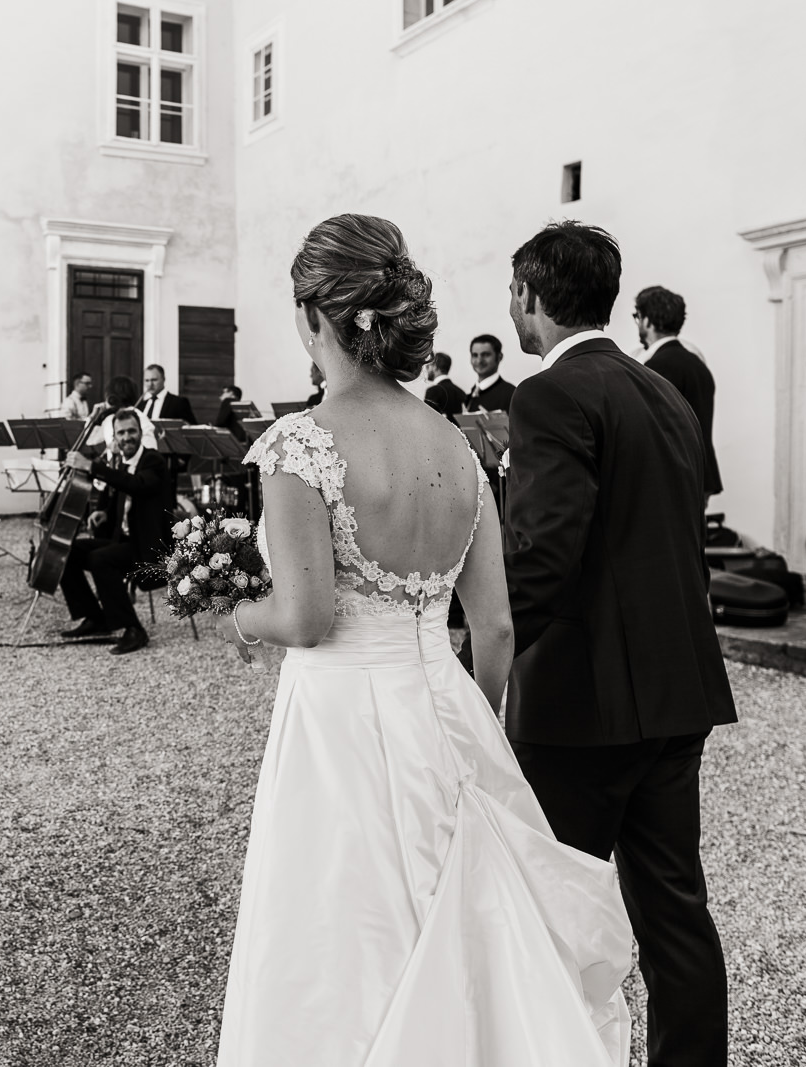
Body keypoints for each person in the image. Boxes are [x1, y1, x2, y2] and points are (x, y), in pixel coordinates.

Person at [216, 214, 632, 1067]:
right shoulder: (461, 445)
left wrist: (238, 616)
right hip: (440, 701)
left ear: (314, 316)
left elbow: (305, 616)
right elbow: (499, 623)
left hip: (337, 719)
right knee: (458, 923)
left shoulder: (300, 443)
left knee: (337, 926)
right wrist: (464, 724)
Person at [504, 222, 737, 1067]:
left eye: (512, 292)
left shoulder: (549, 394)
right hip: (677, 691)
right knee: (675, 909)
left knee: (557, 911)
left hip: (583, 706)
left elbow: (543, 557)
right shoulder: (664, 389)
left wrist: (477, 664)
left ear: (530, 297)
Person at [58, 408, 173, 656]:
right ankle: (95, 617)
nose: (127, 437)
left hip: (148, 546)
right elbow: (122, 493)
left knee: (101, 560)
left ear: (141, 433)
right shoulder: (121, 462)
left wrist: (92, 466)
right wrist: (105, 513)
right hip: (123, 541)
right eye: (121, 433)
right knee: (67, 549)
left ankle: (133, 629)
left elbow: (138, 486)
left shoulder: (154, 461)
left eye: (131, 431)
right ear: (115, 437)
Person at [636, 286, 723, 500]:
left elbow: (647, 430)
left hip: (672, 477)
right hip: (701, 471)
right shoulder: (696, 363)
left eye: (637, 317)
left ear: (647, 320)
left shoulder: (655, 368)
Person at [96, 375, 157, 451]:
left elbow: (150, 450)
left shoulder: (139, 418)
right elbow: (91, 440)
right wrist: (94, 417)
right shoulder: (109, 418)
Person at [464, 333, 516, 412]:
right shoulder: (469, 397)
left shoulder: (512, 394)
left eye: (485, 355)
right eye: (475, 355)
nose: (479, 361)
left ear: (499, 357)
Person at [421, 351, 464, 420]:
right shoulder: (461, 392)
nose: (426, 370)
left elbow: (427, 420)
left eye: (428, 366)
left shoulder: (432, 391)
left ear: (435, 367)